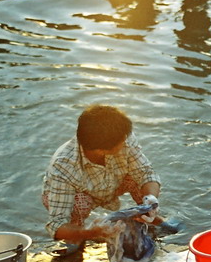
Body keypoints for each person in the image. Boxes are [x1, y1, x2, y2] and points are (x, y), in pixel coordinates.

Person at [42, 105, 163, 247]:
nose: (126, 141)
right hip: (79, 193)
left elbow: (146, 173)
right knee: (78, 206)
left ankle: (151, 218)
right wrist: (92, 232)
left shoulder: (122, 135)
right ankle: (77, 239)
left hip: (113, 182)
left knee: (137, 179)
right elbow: (56, 225)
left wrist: (150, 199)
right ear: (101, 151)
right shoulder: (63, 166)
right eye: (122, 141)